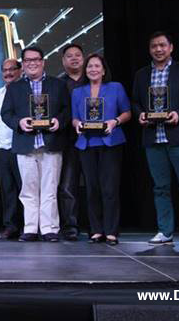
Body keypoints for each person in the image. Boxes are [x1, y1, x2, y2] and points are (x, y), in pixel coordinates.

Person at [131, 32, 179, 247]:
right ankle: (165, 231)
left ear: (171, 48)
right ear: (149, 49)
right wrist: (140, 114)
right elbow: (135, 101)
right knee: (160, 188)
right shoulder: (141, 74)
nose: (158, 49)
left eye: (162, 45)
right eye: (154, 46)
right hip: (153, 138)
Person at [1, 47, 70, 242]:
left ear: (43, 62)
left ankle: (49, 229)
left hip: (51, 143)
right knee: (28, 190)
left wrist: (59, 121)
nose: (32, 63)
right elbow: (6, 114)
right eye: (28, 60)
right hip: (25, 144)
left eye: (36, 59)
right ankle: (30, 228)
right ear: (23, 64)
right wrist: (19, 123)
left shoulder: (58, 84)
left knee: (50, 188)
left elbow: (67, 110)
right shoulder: (14, 87)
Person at [71, 53, 131, 246]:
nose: (93, 69)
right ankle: (96, 230)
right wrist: (77, 123)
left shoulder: (115, 88)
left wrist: (115, 121)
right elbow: (74, 117)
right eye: (89, 67)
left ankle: (111, 231)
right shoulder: (78, 92)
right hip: (87, 144)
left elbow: (127, 113)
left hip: (110, 143)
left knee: (110, 188)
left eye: (97, 66)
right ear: (85, 70)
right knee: (92, 189)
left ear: (104, 70)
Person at [57, 43, 87, 241]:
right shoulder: (58, 83)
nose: (74, 58)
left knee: (96, 184)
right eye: (69, 56)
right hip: (67, 141)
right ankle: (70, 227)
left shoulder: (94, 78)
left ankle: (98, 226)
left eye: (78, 55)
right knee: (67, 186)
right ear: (63, 61)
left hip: (95, 140)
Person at [0, 58, 23, 240]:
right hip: (3, 148)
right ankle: (10, 226)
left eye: (12, 69)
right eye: (5, 70)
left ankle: (29, 226)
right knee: (8, 190)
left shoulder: (26, 91)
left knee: (25, 190)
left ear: (20, 71)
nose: (8, 73)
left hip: (22, 147)